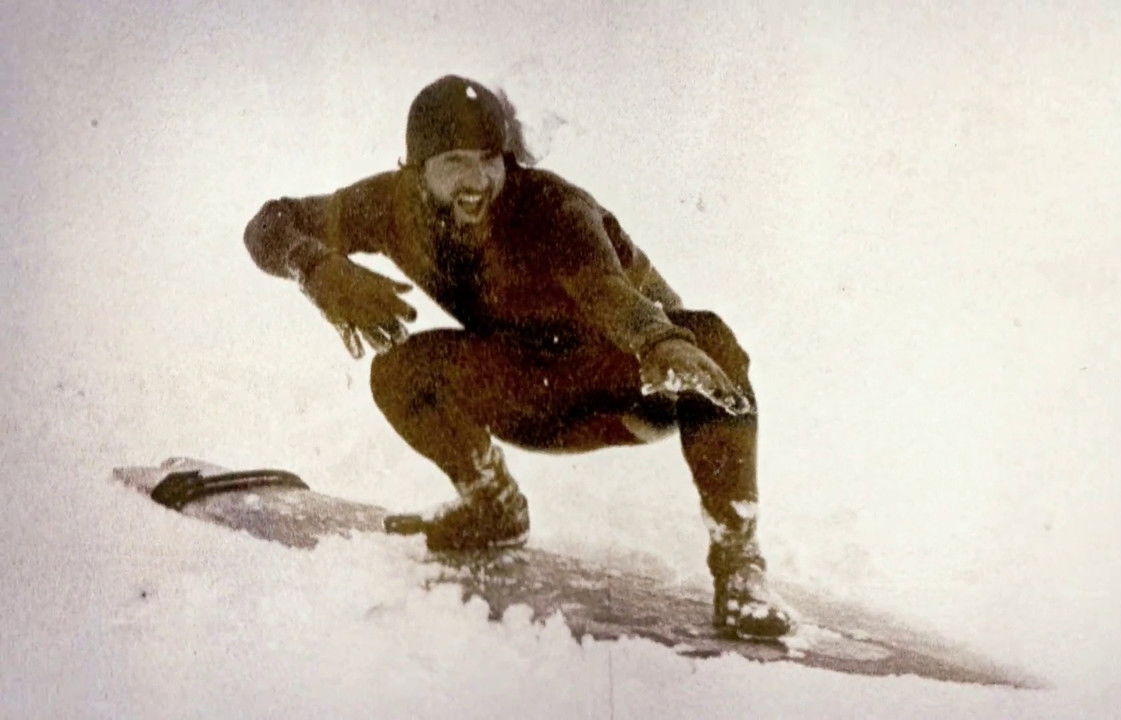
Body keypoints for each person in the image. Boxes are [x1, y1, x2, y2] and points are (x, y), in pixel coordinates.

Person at [243, 75, 793, 639]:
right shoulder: (389, 205)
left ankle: (740, 564)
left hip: (629, 381)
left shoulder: (553, 208)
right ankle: (492, 505)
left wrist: (660, 341)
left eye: (489, 158)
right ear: (415, 170)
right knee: (400, 370)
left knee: (710, 336)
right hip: (525, 391)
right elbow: (269, 223)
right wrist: (316, 268)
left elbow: (607, 290)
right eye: (455, 160)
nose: (477, 178)